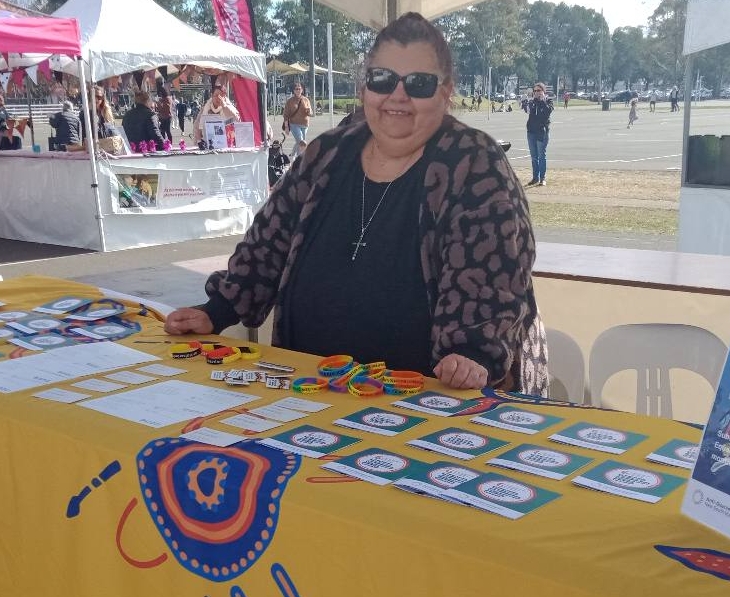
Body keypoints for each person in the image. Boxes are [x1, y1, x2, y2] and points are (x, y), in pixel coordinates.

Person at [164, 12, 548, 395]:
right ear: (365, 88)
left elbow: (492, 275)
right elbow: (268, 241)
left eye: (419, 83)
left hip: (424, 401)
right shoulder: (326, 153)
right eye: (382, 80)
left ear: (446, 92)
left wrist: (471, 353)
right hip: (308, 389)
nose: (398, 95)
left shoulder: (475, 163)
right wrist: (216, 311)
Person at [525, 82, 553, 186]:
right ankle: (535, 177)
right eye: (535, 91)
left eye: (539, 90)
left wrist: (542, 101)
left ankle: (542, 178)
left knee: (541, 156)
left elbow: (547, 112)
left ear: (543, 91)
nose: (536, 93)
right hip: (531, 132)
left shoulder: (548, 101)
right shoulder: (532, 102)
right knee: (533, 156)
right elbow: (528, 110)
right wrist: (527, 101)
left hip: (542, 132)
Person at [282, 82, 313, 158]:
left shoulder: (306, 100)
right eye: (296, 89)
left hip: (305, 124)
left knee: (299, 142)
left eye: (300, 89)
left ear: (302, 90)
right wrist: (286, 127)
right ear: (294, 91)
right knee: (301, 141)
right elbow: (285, 115)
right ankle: (300, 159)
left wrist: (309, 111)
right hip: (294, 124)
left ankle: (292, 155)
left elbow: (311, 113)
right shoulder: (290, 101)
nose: (298, 90)